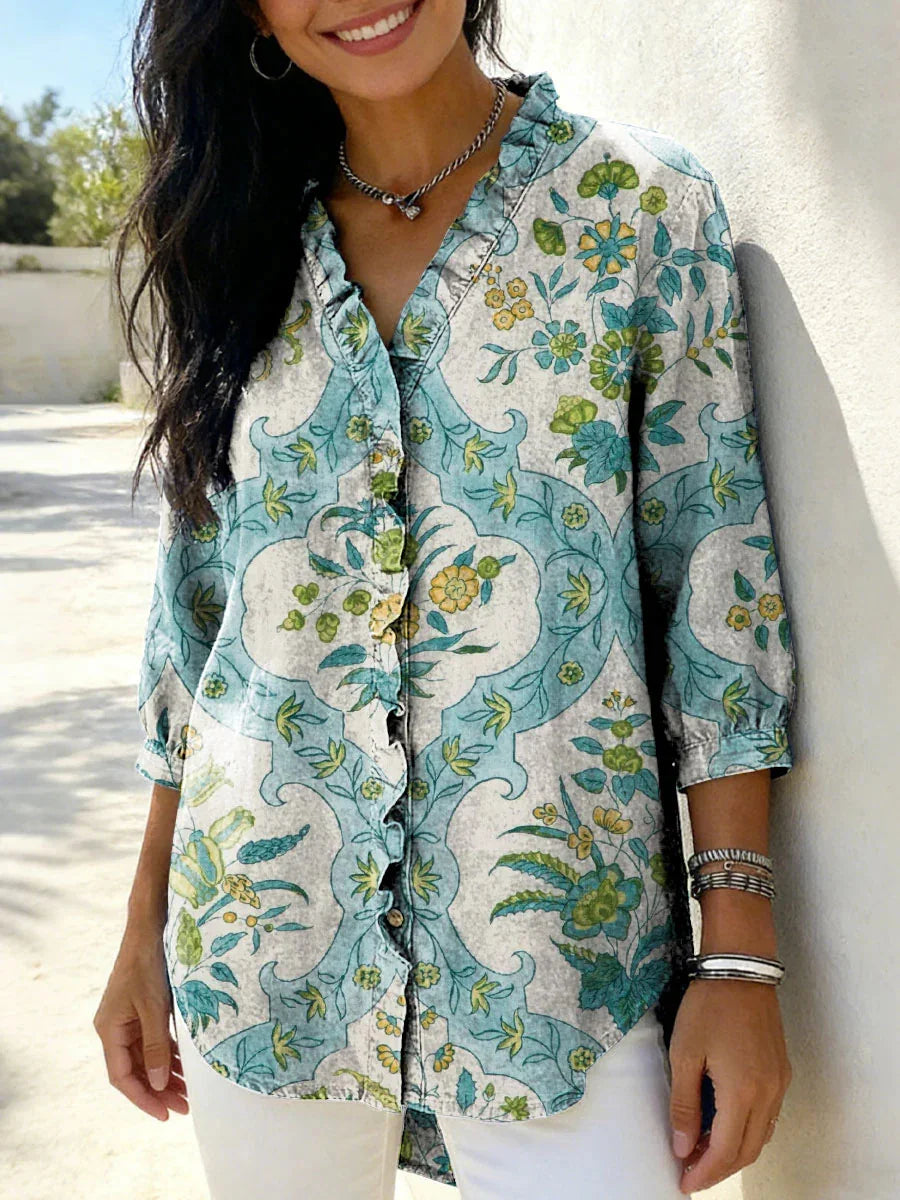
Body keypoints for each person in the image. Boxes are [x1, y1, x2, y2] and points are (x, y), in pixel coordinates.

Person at [93, 1, 798, 1197]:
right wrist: (142, 926)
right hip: (262, 950)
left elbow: (717, 587)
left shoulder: (640, 210)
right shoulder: (237, 235)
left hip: (562, 959)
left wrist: (741, 960)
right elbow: (197, 624)